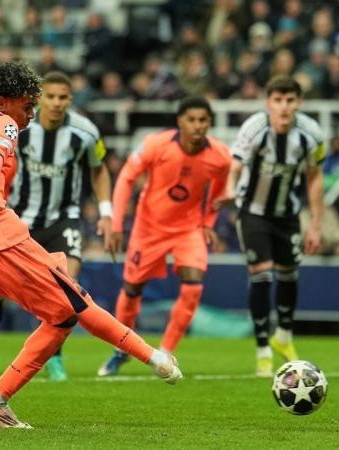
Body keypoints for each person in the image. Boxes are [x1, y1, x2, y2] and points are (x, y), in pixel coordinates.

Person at [0, 61, 182, 429]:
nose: (31, 114)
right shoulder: (3, 123)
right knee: (77, 302)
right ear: (3, 102)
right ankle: (156, 359)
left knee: (63, 314)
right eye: (27, 105)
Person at [0, 71, 113, 382]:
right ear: (40, 99)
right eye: (50, 97)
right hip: (20, 219)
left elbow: (99, 170)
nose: (56, 103)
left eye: (63, 97)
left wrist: (106, 212)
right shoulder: (20, 127)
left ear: (70, 100)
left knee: (67, 287)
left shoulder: (85, 132)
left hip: (64, 219)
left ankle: (54, 358)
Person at [97, 97, 232, 377]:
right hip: (149, 228)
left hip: (188, 229)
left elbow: (221, 190)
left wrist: (208, 220)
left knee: (193, 287)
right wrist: (117, 223)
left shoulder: (220, 156)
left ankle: (166, 351)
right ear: (180, 121)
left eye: (203, 120)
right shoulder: (155, 145)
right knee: (132, 290)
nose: (197, 126)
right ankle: (121, 349)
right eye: (191, 120)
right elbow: (126, 178)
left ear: (209, 123)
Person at [214, 76, 325, 377]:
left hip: (288, 214)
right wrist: (230, 190)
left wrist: (316, 225)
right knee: (261, 273)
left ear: (299, 103)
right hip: (253, 212)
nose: (284, 107)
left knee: (289, 273)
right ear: (268, 103)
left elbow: (315, 178)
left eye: (290, 100)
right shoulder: (254, 128)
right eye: (278, 100)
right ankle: (263, 349)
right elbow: (235, 166)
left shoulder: (312, 134)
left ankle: (284, 336)